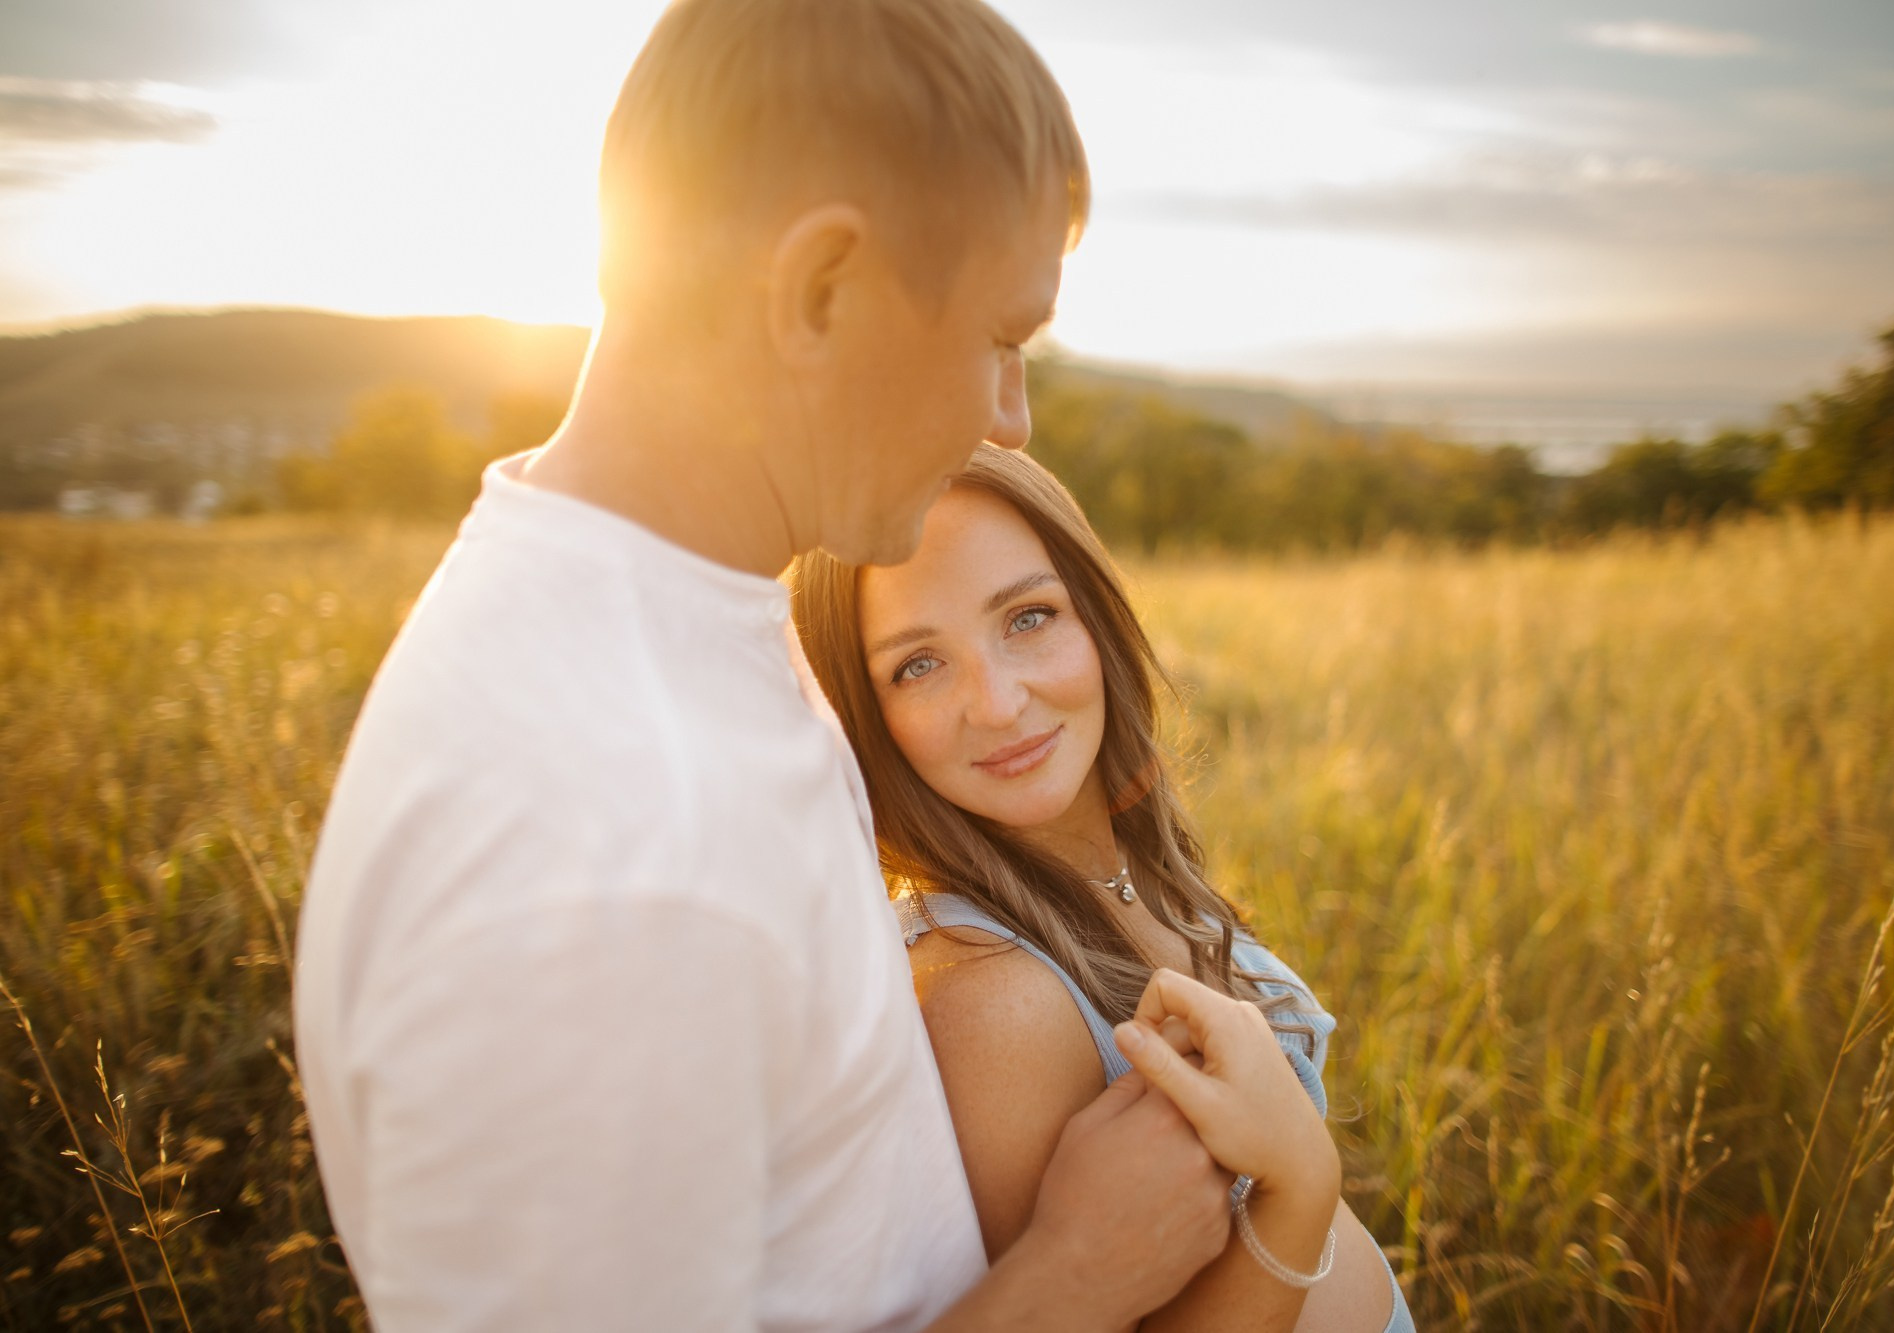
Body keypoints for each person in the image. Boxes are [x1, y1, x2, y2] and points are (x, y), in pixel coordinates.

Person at [292, 0, 1298, 1327]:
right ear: (822, 290)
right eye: (1003, 341)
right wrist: (1077, 1276)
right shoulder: (592, 840)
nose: (1015, 415)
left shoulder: (695, 625)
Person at [790, 445, 1418, 1331]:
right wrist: (1303, 1185)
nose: (1000, 702)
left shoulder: (1122, 866)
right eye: (917, 665)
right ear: (867, 714)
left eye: (1028, 617)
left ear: (1096, 613)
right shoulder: (991, 996)